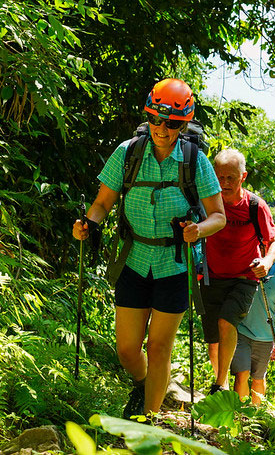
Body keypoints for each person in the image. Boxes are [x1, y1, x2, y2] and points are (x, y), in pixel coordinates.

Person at [72, 78, 226, 418]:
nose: (161, 128)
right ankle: (144, 384)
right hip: (135, 259)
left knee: (159, 347)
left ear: (183, 123)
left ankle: (149, 420)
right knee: (127, 349)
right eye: (155, 119)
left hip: (176, 264)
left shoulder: (195, 161)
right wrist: (88, 223)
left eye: (171, 123)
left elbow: (218, 217)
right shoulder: (128, 153)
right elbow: (101, 204)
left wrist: (198, 230)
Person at [202, 148, 275, 394]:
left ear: (243, 177)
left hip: (244, 278)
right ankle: (220, 379)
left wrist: (266, 263)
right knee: (213, 339)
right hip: (211, 275)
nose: (224, 183)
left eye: (231, 178)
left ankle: (220, 384)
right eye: (220, 177)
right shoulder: (206, 202)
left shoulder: (255, 206)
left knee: (227, 322)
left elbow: (273, 241)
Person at [231, 261, 275, 404]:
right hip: (241, 331)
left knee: (258, 378)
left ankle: (255, 417)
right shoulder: (243, 264)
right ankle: (240, 415)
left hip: (266, 336)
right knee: (241, 374)